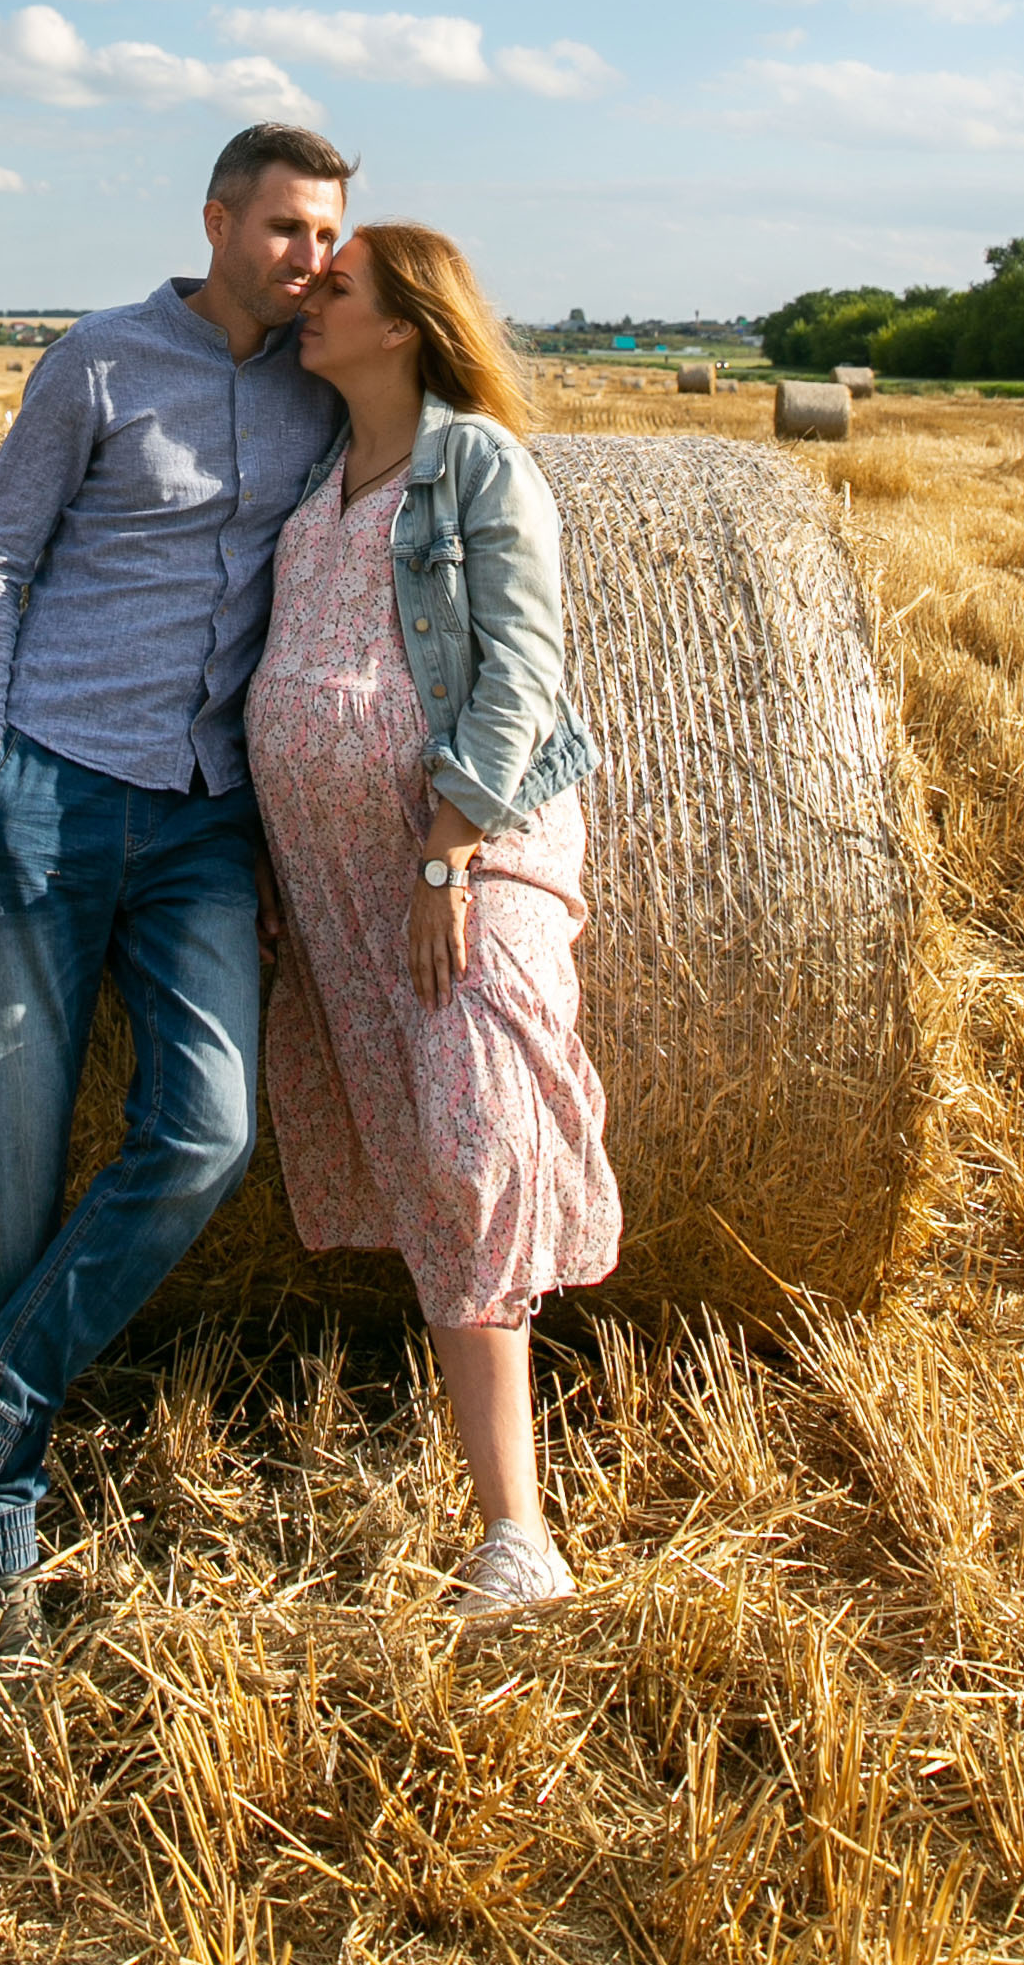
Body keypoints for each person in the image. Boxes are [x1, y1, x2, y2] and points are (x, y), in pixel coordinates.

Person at [0, 123, 354, 1672]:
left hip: (205, 815)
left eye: (326, 232)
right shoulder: (99, 362)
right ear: (213, 218)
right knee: (10, 1161)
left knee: (204, 1129)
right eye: (280, 227)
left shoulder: (318, 392)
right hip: (54, 789)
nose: (307, 256)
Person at [246, 220, 619, 1616]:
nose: (306, 298)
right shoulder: (310, 472)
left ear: (403, 320)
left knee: (474, 1119)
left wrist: (449, 847)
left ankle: (516, 1533)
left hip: (462, 845)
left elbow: (520, 665)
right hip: (333, 875)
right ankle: (497, 1497)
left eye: (331, 286)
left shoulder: (475, 461)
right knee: (414, 1144)